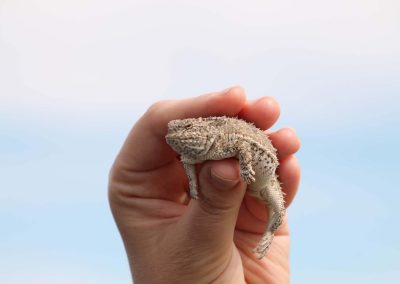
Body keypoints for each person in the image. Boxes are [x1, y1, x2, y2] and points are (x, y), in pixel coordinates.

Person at [108, 87, 301, 283]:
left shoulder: (219, 139)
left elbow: (241, 145)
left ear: (200, 129)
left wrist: (244, 169)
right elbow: (187, 162)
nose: (175, 135)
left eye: (185, 129)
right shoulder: (192, 153)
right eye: (173, 131)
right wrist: (193, 185)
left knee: (277, 207)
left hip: (265, 174)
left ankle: (269, 233)